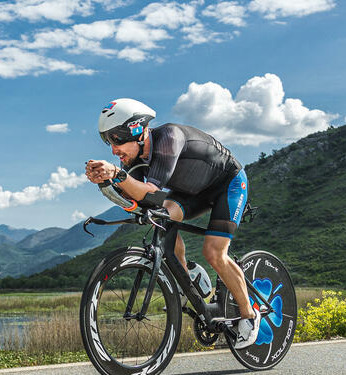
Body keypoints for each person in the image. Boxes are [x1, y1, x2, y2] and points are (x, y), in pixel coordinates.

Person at [84, 98, 259, 348]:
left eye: (117, 140)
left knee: (213, 252)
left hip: (227, 185)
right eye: (108, 141)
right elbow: (139, 201)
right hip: (192, 192)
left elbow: (150, 192)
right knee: (161, 218)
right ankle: (189, 276)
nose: (114, 149)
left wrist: (117, 175)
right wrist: (106, 182)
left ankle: (249, 316)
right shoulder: (133, 160)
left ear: (137, 130)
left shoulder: (168, 138)